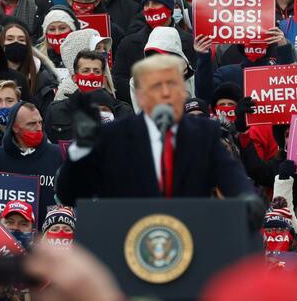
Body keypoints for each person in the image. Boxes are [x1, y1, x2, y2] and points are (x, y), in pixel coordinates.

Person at [56, 54, 254, 203]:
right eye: (157, 86)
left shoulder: (204, 133)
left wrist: (247, 198)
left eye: (173, 85)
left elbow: (232, 176)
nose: (166, 94)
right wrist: (81, 148)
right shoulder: (113, 136)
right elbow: (70, 194)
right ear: (141, 95)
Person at [0, 101, 64, 206]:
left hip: (48, 220)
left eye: (40, 122)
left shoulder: (58, 154)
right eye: (31, 124)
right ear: (15, 127)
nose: (38, 128)